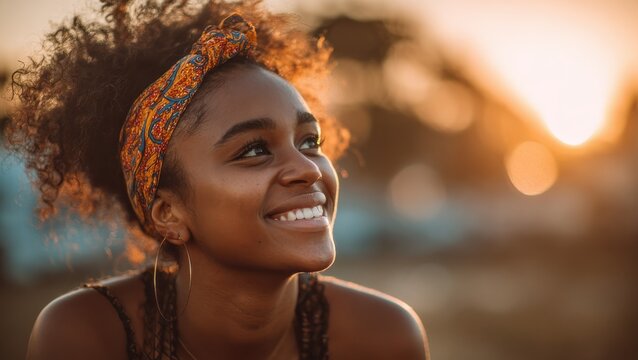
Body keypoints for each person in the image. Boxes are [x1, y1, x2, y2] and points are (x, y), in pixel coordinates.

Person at [8, 1, 429, 359]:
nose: (308, 168)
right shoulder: (85, 338)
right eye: (253, 150)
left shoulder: (384, 338)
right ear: (169, 213)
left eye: (309, 141)